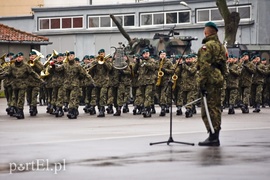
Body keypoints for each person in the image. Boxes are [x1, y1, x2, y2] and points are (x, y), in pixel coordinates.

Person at [197, 22, 227, 146]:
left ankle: (213, 136)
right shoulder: (221, 46)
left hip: (209, 80)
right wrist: (221, 77)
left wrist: (201, 83)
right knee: (216, 107)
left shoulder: (206, 47)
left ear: (206, 32)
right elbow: (224, 66)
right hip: (217, 79)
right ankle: (215, 135)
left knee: (208, 109)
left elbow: (204, 66)